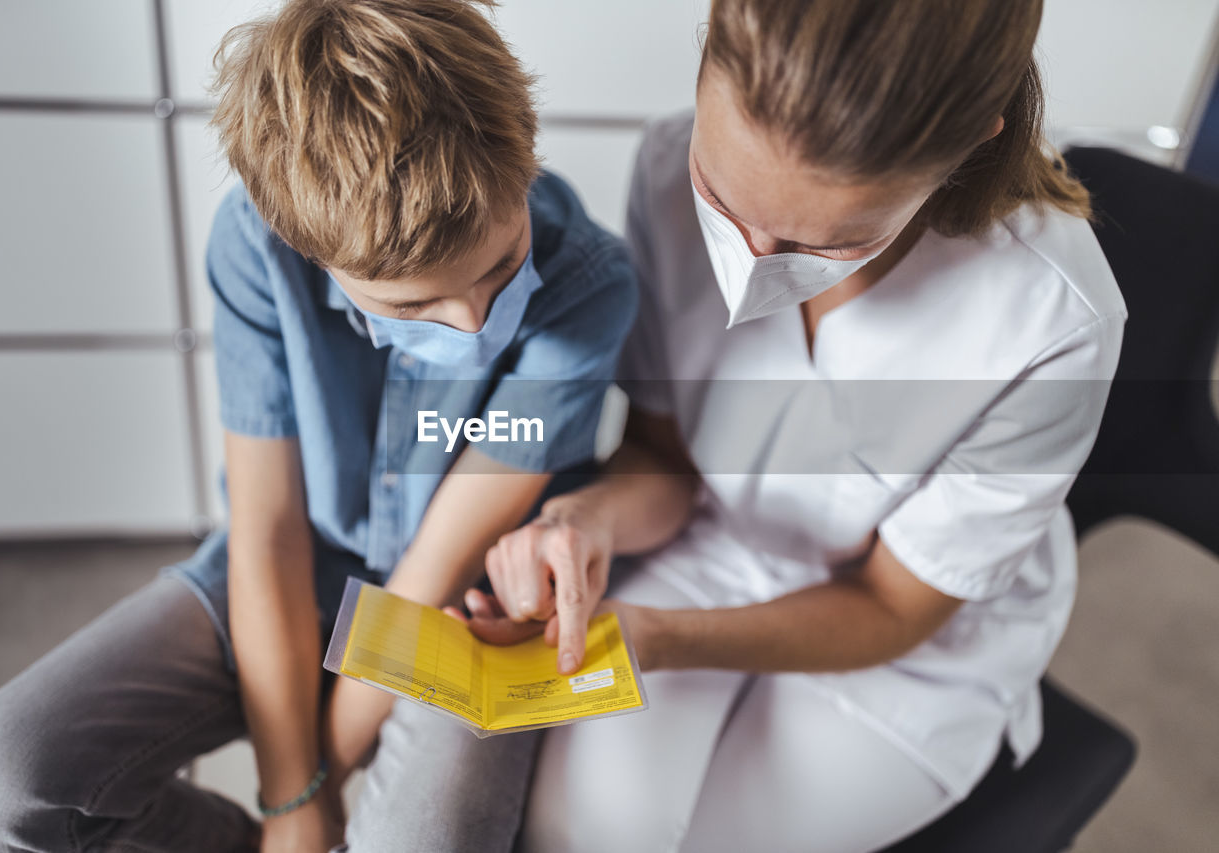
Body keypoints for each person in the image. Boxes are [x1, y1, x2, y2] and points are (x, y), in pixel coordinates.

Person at [0, 2, 635, 851]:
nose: (474, 319)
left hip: (459, 606)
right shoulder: (254, 245)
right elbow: (266, 536)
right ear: (306, 247)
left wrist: (321, 779)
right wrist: (287, 798)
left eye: (500, 263)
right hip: (288, 573)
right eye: (414, 303)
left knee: (421, 836)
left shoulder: (591, 284)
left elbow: (436, 562)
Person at [457, 1, 1128, 850]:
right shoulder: (664, 163)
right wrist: (578, 520)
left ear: (969, 147)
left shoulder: (1051, 317)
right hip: (711, 549)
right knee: (579, 835)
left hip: (910, 651)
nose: (751, 262)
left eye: (829, 241)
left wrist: (655, 637)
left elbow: (893, 602)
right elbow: (665, 456)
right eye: (722, 195)